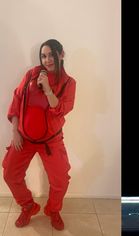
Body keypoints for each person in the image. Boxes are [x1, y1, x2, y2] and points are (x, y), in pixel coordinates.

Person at [2, 39, 76, 230]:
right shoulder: (31, 74)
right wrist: (15, 132)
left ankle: (53, 210)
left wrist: (48, 89)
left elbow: (60, 109)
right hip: (24, 138)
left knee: (60, 179)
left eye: (52, 54)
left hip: (51, 142)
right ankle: (28, 206)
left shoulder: (69, 83)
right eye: (44, 56)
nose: (47, 60)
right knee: (10, 173)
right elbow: (17, 100)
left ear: (61, 55)